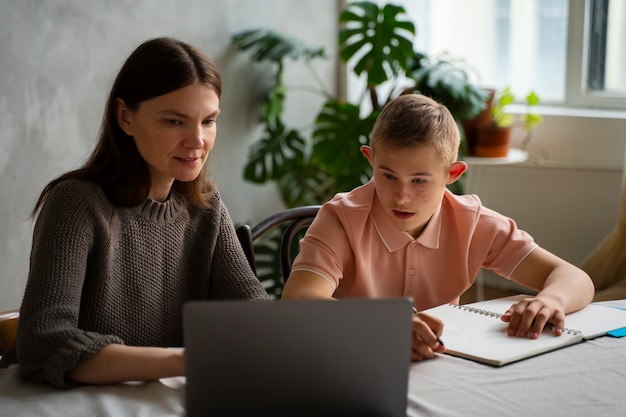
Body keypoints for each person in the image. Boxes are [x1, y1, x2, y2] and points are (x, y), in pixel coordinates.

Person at [0, 37, 270, 387]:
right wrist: (183, 360)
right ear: (125, 117)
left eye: (209, 121)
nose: (197, 140)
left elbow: (254, 307)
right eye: (174, 121)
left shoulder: (206, 207)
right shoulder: (75, 203)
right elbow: (45, 342)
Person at [281, 93, 595, 362]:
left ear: (453, 174)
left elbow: (574, 278)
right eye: (388, 176)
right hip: (351, 360)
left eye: (419, 180)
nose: (401, 196)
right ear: (370, 159)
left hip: (439, 364)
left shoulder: (472, 223)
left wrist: (551, 300)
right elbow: (299, 301)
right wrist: (382, 326)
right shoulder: (340, 219)